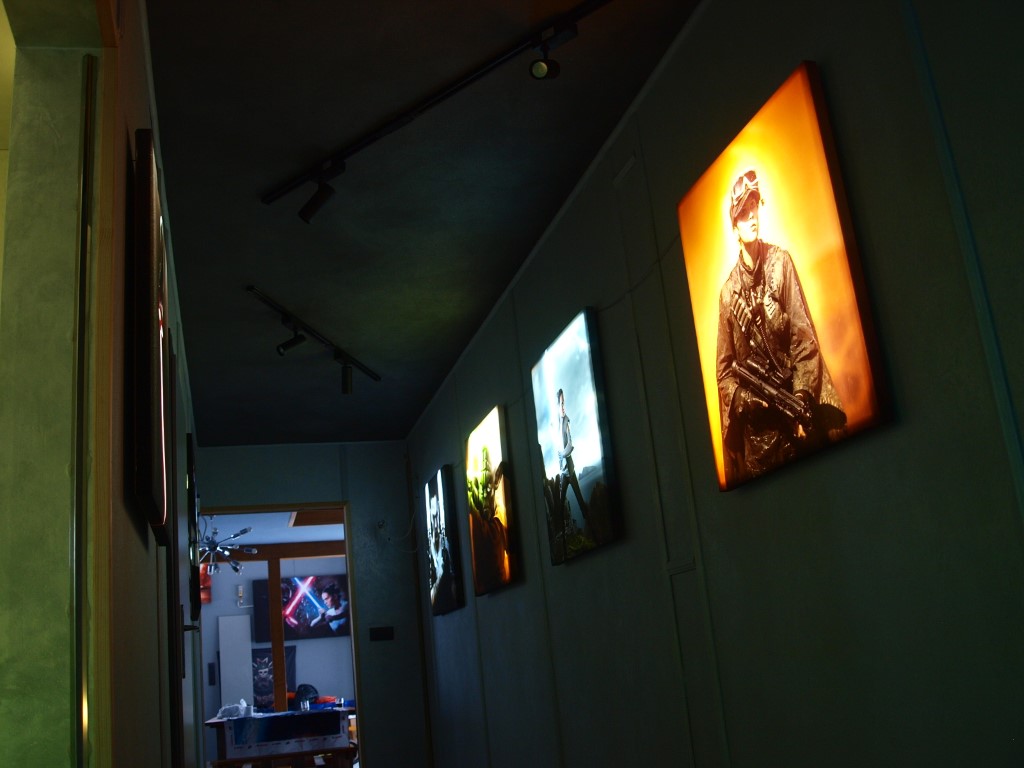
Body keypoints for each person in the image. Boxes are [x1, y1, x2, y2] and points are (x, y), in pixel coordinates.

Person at [716, 168, 845, 486]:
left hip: (795, 417)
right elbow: (725, 372)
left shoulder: (780, 263)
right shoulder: (728, 295)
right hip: (760, 442)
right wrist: (744, 398)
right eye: (743, 212)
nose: (751, 216)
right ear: (734, 226)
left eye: (754, 207)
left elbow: (804, 339)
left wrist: (799, 401)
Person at [556, 388, 588, 518]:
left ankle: (589, 522)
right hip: (563, 472)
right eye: (561, 404)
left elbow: (570, 445)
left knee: (580, 501)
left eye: (564, 403)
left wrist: (562, 454)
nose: (563, 407)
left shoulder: (566, 422)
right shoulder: (556, 423)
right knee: (560, 506)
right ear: (557, 405)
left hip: (571, 470)